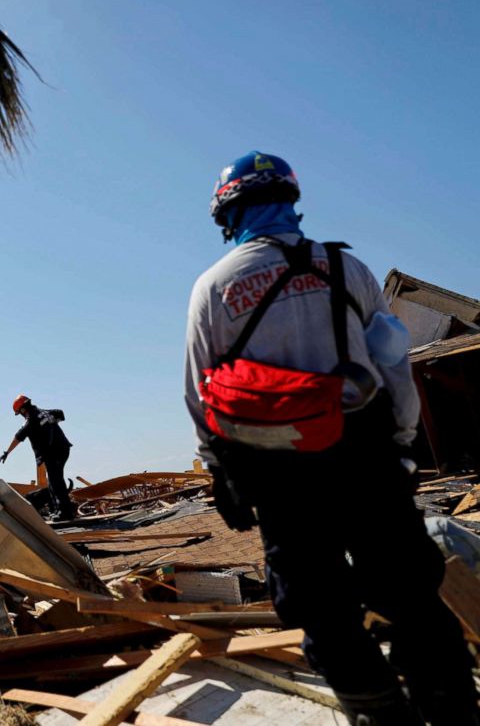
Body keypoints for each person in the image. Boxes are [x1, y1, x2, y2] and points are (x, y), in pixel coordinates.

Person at [184, 150, 479, 725]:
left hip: (277, 475)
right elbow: (395, 365)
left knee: (323, 614)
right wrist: (400, 443)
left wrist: (220, 473)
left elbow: (200, 394)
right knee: (413, 600)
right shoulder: (348, 270)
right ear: (291, 202)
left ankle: (380, 717)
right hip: (363, 456)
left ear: (227, 214)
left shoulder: (213, 288)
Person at [0, 395, 77, 521]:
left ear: (23, 410)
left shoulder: (30, 420)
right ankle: (60, 510)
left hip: (52, 452)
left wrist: (7, 452)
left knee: (56, 481)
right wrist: (50, 425)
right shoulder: (46, 412)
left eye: (19, 413)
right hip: (63, 448)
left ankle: (65, 513)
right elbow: (60, 413)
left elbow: (18, 437)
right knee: (54, 480)